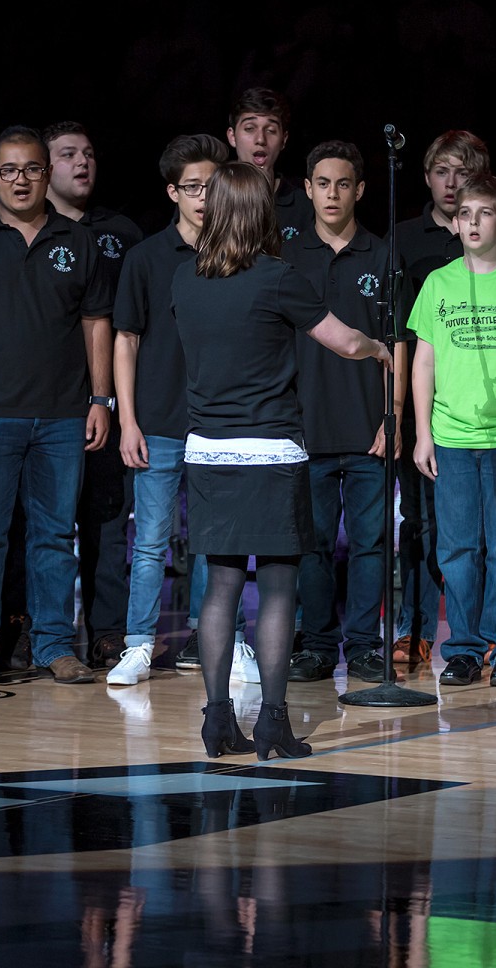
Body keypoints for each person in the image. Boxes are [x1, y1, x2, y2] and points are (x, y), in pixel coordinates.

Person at [170, 162, 390, 759]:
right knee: (276, 588)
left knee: (220, 586)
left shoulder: (185, 278)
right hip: (269, 450)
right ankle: (271, 723)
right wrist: (378, 348)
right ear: (261, 212)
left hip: (209, 451)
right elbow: (344, 341)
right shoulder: (276, 277)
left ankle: (217, 722)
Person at [0, 126, 114, 687]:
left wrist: (100, 399)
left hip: (62, 415)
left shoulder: (77, 240)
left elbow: (96, 324)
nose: (21, 180)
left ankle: (54, 645)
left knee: (55, 536)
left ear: (46, 174)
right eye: (9, 170)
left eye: (32, 169)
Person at [390, 129, 496, 666]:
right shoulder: (437, 284)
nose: (472, 222)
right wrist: (422, 433)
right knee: (457, 549)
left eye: (484, 214)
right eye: (465, 214)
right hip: (450, 437)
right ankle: (465, 647)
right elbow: (422, 360)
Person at [106, 134, 229, 687]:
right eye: (193, 187)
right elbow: (126, 340)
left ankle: (217, 640)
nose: (203, 197)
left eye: (212, 186)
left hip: (218, 423)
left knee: (215, 542)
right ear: (173, 192)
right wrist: (127, 420)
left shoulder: (235, 255)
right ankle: (138, 643)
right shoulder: (147, 257)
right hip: (156, 420)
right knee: (151, 541)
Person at [284, 141, 396, 685]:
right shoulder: (285, 256)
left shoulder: (383, 255)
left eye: (343, 184)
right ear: (307, 189)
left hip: (369, 428)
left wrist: (392, 416)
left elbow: (398, 345)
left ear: (360, 190)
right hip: (305, 429)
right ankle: (317, 645)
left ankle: (366, 646)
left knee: (372, 544)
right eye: (323, 183)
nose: (332, 194)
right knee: (314, 545)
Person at [39, 120, 144, 669]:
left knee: (108, 519)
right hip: (45, 399)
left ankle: (108, 631)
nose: (82, 163)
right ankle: (30, 626)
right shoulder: (30, 228)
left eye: (88, 153)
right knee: (42, 524)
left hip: (109, 402)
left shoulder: (121, 232)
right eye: (67, 154)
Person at [226, 87, 312, 241]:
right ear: (232, 137)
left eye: (271, 130)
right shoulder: (211, 197)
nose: (260, 139)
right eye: (250, 129)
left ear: (283, 140)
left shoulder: (304, 205)